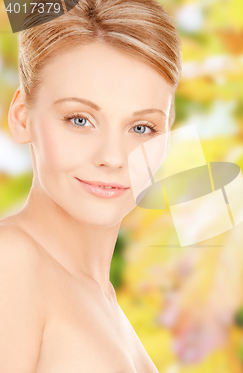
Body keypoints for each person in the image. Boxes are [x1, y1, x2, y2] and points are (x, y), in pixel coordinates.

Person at [0, 0, 181, 371]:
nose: (113, 157)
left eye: (142, 127)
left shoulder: (103, 299)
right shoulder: (11, 261)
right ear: (22, 117)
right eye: (80, 119)